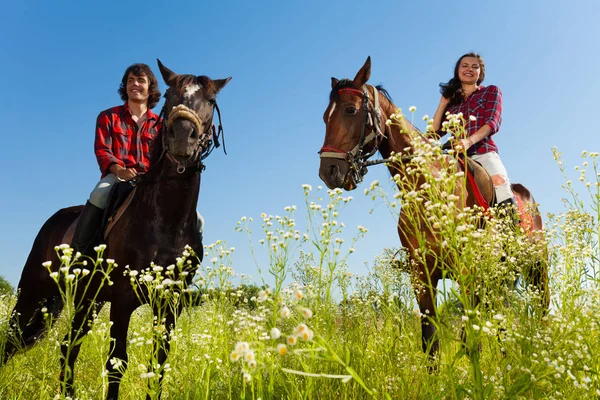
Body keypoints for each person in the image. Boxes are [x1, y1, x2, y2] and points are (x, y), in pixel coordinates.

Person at [71, 63, 162, 256]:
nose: (134, 84)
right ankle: (77, 255)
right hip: (118, 177)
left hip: (151, 182)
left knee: (197, 219)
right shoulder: (108, 116)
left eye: (140, 80)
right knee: (100, 193)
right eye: (130, 80)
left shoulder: (161, 124)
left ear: (150, 87)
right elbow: (102, 150)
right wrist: (119, 170)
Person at [432, 52, 518, 212]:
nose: (469, 69)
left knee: (500, 181)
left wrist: (468, 141)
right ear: (457, 71)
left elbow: (492, 122)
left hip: (483, 152)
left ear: (480, 73)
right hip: (453, 157)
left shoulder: (491, 91)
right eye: (464, 66)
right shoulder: (452, 103)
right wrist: (443, 103)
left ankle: (510, 233)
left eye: (474, 66)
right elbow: (434, 133)